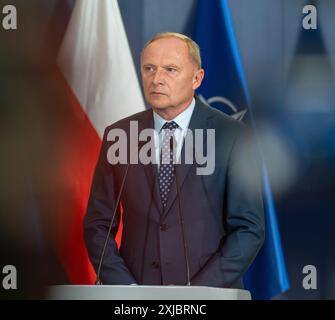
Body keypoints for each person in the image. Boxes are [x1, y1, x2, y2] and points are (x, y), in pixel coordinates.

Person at [84, 32, 264, 288]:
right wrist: (126, 288)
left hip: (208, 295)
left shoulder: (233, 136)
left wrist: (199, 292)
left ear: (196, 78)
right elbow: (97, 224)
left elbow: (248, 228)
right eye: (149, 68)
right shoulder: (119, 136)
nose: (157, 79)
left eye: (170, 69)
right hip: (136, 296)